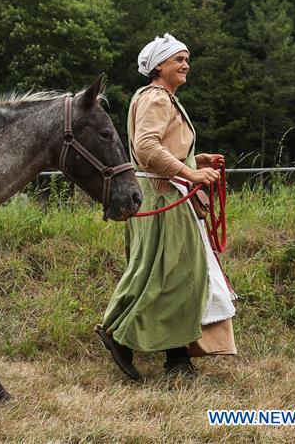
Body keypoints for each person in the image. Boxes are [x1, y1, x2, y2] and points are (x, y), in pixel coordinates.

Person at [96, 33, 236, 379]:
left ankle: (168, 355)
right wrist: (189, 171)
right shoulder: (157, 97)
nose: (186, 64)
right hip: (165, 197)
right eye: (178, 59)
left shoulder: (158, 97)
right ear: (159, 66)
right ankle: (140, 346)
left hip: (164, 194)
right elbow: (146, 147)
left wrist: (195, 158)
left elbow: (161, 147)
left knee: (161, 274)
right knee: (177, 275)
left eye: (187, 58)